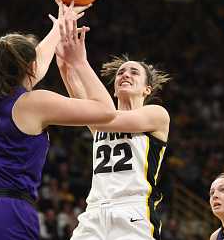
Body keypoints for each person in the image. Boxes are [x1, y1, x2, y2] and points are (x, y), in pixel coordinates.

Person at [0, 0, 117, 240]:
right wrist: (78, 62)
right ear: (28, 67)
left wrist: (59, 26)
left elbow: (33, 67)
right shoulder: (32, 104)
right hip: (1, 215)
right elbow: (106, 111)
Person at [57, 51, 171, 240]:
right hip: (94, 211)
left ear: (147, 89)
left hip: (133, 210)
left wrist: (81, 63)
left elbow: (94, 113)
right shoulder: (99, 124)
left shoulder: (156, 115)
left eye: (134, 72)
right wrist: (65, 64)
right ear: (114, 91)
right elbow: (82, 101)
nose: (125, 75)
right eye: (120, 73)